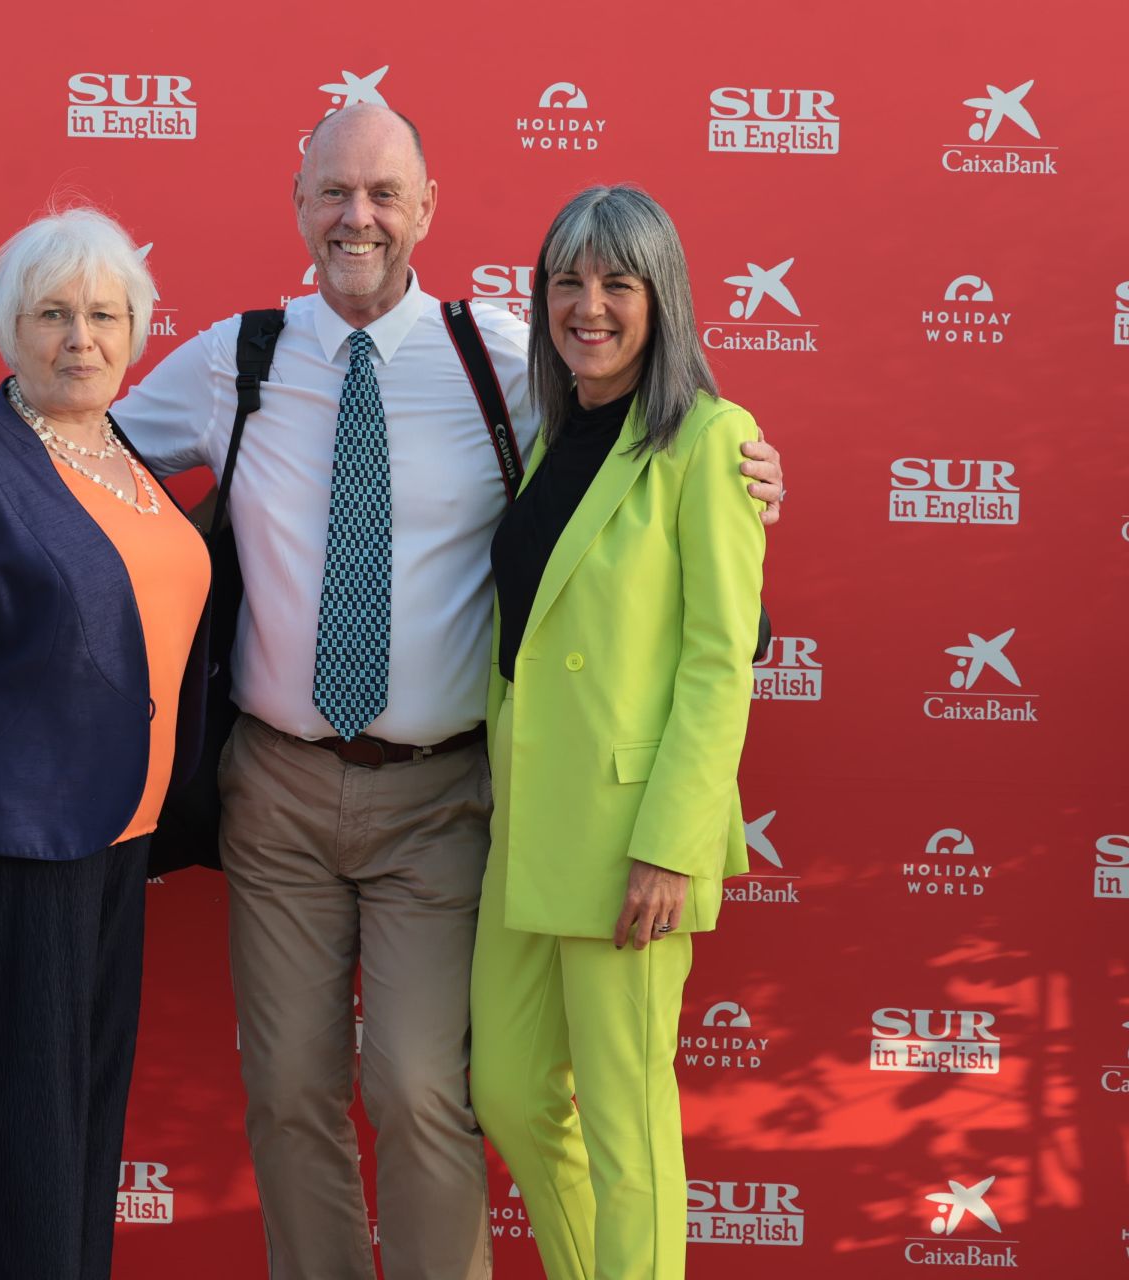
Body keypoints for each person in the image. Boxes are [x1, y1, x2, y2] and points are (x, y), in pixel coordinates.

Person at [113, 106, 786, 1279]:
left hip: (444, 799)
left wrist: (750, 478)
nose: (356, 217)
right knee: (287, 1090)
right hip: (274, 789)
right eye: (333, 192)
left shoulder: (505, 361)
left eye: (383, 192)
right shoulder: (236, 357)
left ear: (428, 207)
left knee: (429, 1087)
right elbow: (90, 455)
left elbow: (649, 483)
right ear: (299, 204)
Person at [0, 207, 211, 1279]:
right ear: (8, 327)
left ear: (139, 328)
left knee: (76, 1149)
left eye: (105, 314)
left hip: (116, 848)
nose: (81, 337)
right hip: (7, 863)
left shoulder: (126, 456)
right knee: (13, 1165)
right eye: (53, 313)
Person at [469, 184, 764, 1280]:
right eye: (567, 282)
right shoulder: (556, 437)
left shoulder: (712, 440)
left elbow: (719, 656)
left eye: (617, 284)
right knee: (505, 1085)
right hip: (527, 832)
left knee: (630, 1128)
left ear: (663, 300)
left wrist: (671, 845)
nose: (588, 306)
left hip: (633, 842)